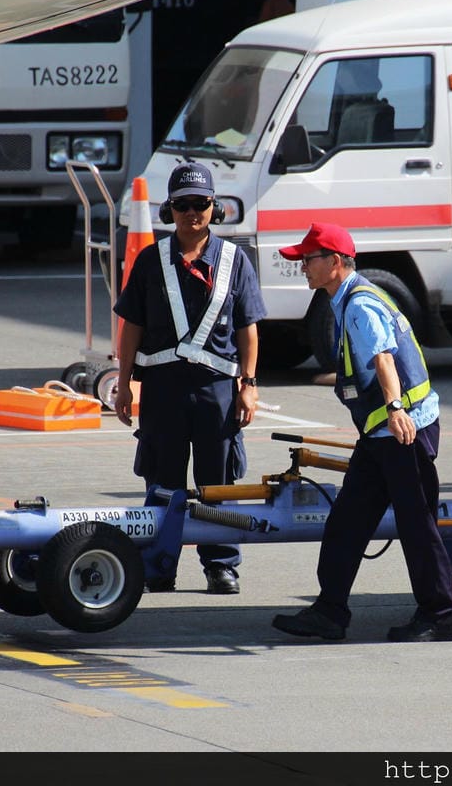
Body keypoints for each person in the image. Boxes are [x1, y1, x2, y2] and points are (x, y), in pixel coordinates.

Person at [271, 222, 452, 643]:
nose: (302, 266)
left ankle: (440, 616)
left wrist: (394, 409)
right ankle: (329, 611)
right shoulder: (347, 299)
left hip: (402, 431)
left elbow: (384, 359)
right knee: (348, 520)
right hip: (380, 435)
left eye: (308, 259)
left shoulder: (359, 306)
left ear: (334, 263)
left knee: (417, 526)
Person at [112, 161, 266, 595]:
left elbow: (247, 327)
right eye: (183, 205)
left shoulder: (235, 260)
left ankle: (221, 565)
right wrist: (125, 384)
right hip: (162, 389)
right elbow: (131, 327)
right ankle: (159, 564)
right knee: (163, 482)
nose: (192, 213)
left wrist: (249, 386)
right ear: (169, 210)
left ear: (214, 208)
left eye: (201, 204)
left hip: (216, 391)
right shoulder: (149, 260)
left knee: (217, 483)